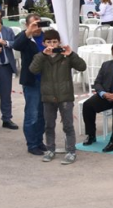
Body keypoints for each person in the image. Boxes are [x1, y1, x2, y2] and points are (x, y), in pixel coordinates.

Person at [28, 29, 86, 164]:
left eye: (55, 42)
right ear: (43, 43)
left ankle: (71, 151)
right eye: (49, 42)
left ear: (59, 42)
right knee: (49, 125)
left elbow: (82, 67)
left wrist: (71, 54)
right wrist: (43, 55)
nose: (52, 45)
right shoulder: (40, 56)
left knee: (68, 126)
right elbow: (32, 70)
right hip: (48, 96)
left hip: (65, 96)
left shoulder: (66, 56)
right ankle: (50, 150)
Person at [12, 14, 48, 155]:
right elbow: (16, 45)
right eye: (33, 24)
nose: (37, 27)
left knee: (42, 114)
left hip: (46, 81)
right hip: (32, 81)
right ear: (27, 25)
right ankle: (32, 144)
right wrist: (29, 32)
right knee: (32, 114)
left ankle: (39, 141)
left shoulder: (46, 37)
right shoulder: (25, 38)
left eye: (38, 24)